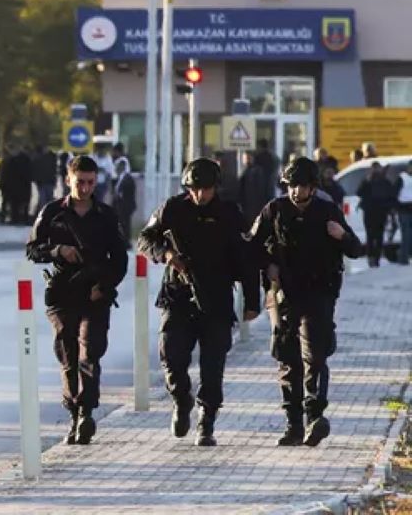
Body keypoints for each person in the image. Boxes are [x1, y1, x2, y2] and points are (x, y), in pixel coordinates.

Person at [137, 159, 260, 446]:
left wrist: (251, 301)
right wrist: (166, 255)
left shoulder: (229, 213)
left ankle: (207, 420)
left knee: (213, 364)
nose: (199, 195)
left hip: (215, 298)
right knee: (171, 353)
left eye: (205, 189)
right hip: (178, 295)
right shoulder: (172, 209)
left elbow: (246, 260)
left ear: (215, 188)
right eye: (194, 189)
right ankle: (181, 399)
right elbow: (145, 239)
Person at [248, 157, 363, 447]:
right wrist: (267, 265)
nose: (297, 193)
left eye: (303, 187)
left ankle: (315, 416)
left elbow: (356, 249)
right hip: (284, 295)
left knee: (314, 354)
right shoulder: (273, 211)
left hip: (318, 294)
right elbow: (250, 246)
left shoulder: (327, 212)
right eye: (292, 186)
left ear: (313, 187)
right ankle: (293, 425)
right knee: (287, 358)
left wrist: (341, 236)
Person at [25, 155, 128, 446]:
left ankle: (86, 412)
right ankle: (73, 412)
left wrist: (104, 285)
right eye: (80, 182)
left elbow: (120, 260)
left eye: (90, 183)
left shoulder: (106, 215)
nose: (85, 188)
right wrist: (59, 251)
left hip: (95, 293)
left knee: (90, 352)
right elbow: (33, 250)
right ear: (69, 179)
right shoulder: (53, 213)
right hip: (62, 293)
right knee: (68, 356)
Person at [357, 160, 397, 267]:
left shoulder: (385, 181)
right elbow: (359, 192)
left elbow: (391, 196)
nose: (376, 170)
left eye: (377, 168)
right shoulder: (367, 181)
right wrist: (366, 181)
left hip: (381, 212)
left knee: (379, 236)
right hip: (369, 212)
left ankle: (377, 258)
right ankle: (371, 257)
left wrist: (390, 210)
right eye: (374, 168)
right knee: (370, 236)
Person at [239, 150, 272, 230]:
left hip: (254, 206)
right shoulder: (245, 170)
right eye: (245, 158)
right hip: (247, 205)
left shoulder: (257, 171)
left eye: (247, 158)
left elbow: (261, 190)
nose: (246, 160)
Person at [31, 145, 58, 217]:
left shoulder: (39, 158)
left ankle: (45, 215)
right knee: (45, 199)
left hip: (45, 182)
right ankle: (45, 215)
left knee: (45, 199)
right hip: (45, 182)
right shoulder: (51, 157)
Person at [113, 158, 136, 236]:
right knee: (121, 223)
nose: (116, 168)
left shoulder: (128, 178)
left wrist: (121, 195)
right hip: (119, 205)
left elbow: (129, 191)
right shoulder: (120, 178)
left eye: (117, 166)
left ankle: (126, 241)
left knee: (125, 223)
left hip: (126, 204)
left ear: (122, 166)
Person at [398, 162, 412, 265]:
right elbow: (394, 193)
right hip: (404, 209)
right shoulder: (402, 178)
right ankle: (403, 258)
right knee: (406, 235)